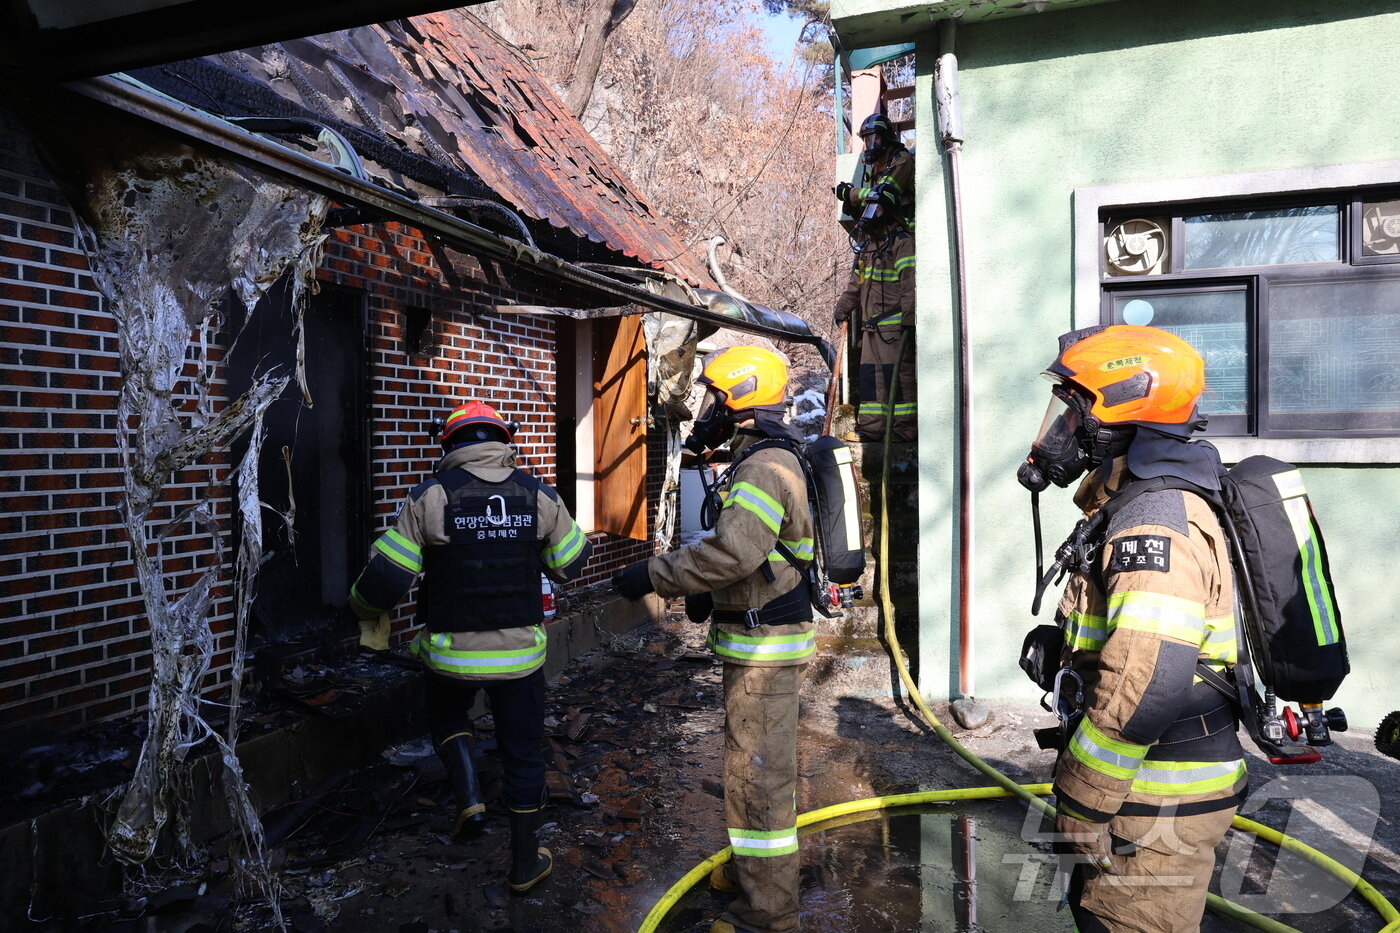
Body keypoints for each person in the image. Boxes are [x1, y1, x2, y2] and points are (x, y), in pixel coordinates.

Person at [1017, 325, 1247, 932]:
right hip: (1141, 791)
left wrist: (1084, 800)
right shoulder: (1132, 504)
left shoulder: (1152, 524)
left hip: (1154, 799)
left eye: (1074, 412)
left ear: (1121, 411)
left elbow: (1146, 684)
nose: (1061, 430)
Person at [345, 400, 591, 894]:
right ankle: (525, 865)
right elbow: (571, 563)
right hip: (520, 658)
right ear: (504, 441)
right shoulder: (540, 494)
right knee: (522, 752)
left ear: (449, 444)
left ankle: (470, 800)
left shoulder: (430, 496)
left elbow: (385, 581)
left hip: (451, 654)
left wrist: (360, 610)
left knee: (447, 715)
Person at [612, 346, 815, 933]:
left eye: (716, 399)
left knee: (758, 780)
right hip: (762, 638)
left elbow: (733, 554)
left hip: (764, 646)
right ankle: (753, 873)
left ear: (743, 400)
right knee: (755, 770)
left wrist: (652, 575)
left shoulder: (763, 467)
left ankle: (767, 913)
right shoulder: (766, 456)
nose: (708, 411)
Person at [834, 112, 916, 442]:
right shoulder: (869, 246)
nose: (869, 145)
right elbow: (856, 281)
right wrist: (844, 307)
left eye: (874, 138)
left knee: (899, 378)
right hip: (870, 327)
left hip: (894, 328)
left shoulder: (902, 242)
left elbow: (910, 283)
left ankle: (903, 431)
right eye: (865, 139)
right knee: (869, 380)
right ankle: (871, 430)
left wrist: (909, 319)